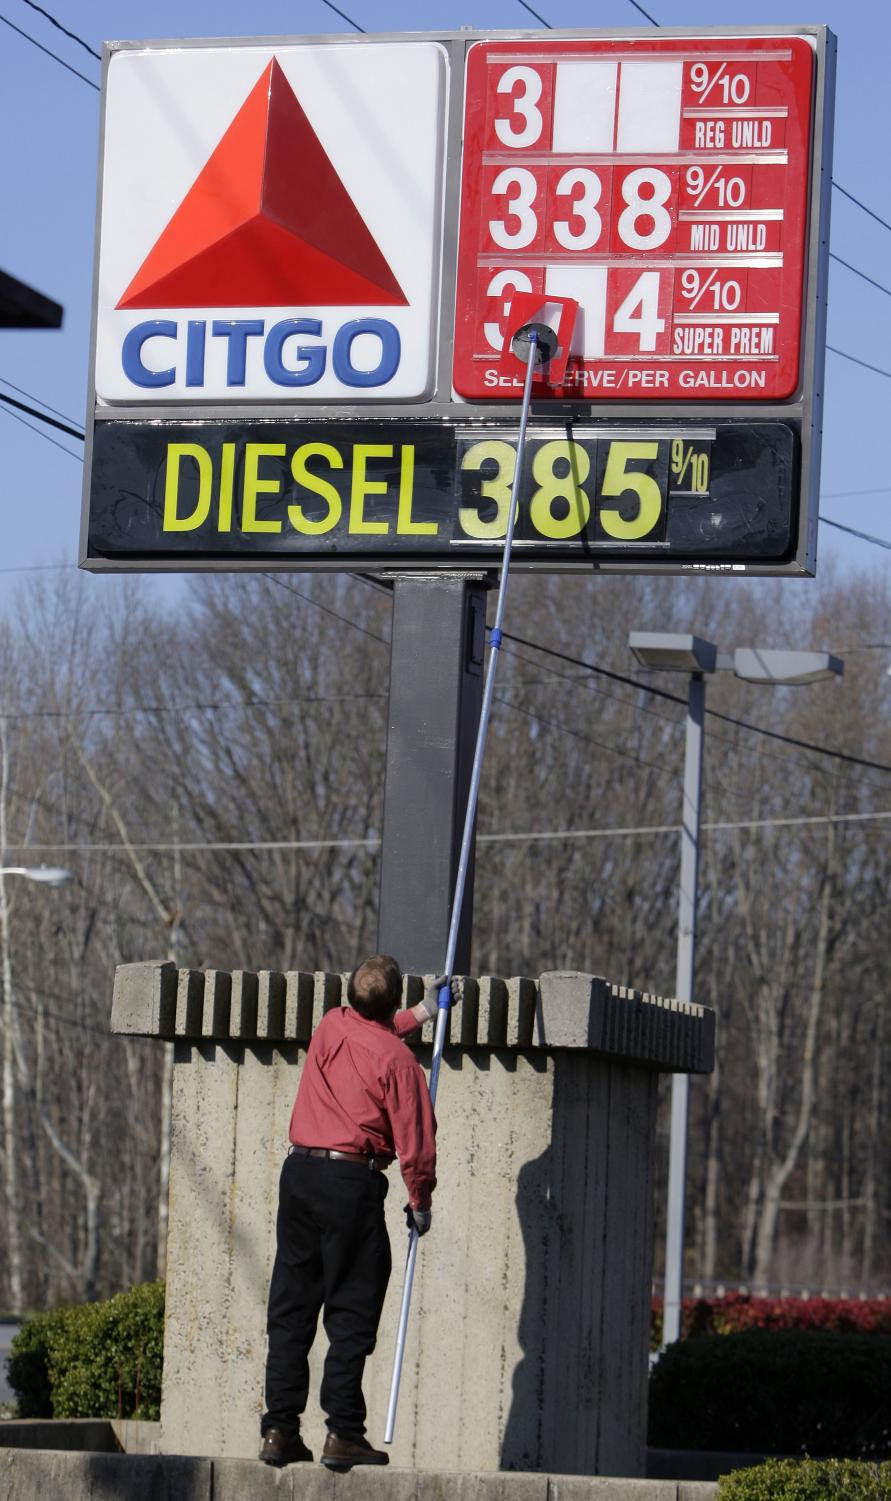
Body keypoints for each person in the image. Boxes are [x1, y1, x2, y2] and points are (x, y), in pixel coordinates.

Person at [259, 953, 454, 1470]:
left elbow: (375, 1031)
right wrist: (421, 1202)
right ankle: (342, 1433)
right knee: (351, 1310)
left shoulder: (330, 1025)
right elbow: (416, 1143)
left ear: (351, 999)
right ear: (389, 1002)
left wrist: (421, 1014)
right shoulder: (399, 1064)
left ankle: (279, 1430)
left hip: (300, 1176)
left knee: (292, 1310)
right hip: (351, 1183)